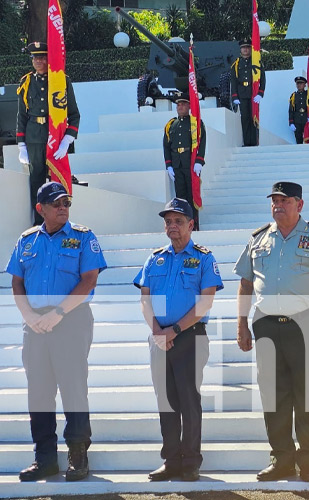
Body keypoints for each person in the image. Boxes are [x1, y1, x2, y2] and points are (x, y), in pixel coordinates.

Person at [234, 182, 309, 483]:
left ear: (300, 204)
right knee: (273, 395)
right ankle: (281, 458)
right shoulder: (258, 239)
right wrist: (242, 324)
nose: (277, 205)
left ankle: (308, 460)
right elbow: (245, 284)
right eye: (274, 200)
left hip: (307, 325)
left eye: (284, 200)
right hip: (267, 326)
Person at [5, 181, 106, 482]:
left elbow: (89, 280)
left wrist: (59, 313)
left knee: (73, 389)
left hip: (71, 321)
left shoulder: (83, 237)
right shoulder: (26, 241)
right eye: (56, 203)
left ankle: (78, 456)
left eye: (66, 203)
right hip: (34, 324)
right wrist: (28, 315)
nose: (63, 207)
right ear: (41, 209)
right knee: (39, 393)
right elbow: (17, 282)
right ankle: (45, 459)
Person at [134, 197, 223, 482]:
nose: (172, 226)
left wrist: (175, 331)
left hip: (190, 337)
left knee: (187, 400)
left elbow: (205, 302)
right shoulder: (154, 257)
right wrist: (158, 331)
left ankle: (191, 461)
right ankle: (171, 460)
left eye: (179, 221)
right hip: (159, 338)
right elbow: (144, 299)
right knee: (166, 401)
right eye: (168, 221)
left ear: (191, 224)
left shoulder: (204, 257)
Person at [16, 42, 80, 226]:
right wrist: (21, 144)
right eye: (35, 58)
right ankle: (39, 223)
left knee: (57, 180)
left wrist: (67, 138)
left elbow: (74, 114)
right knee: (36, 180)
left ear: (48, 60)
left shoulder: (61, 81)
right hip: (34, 137)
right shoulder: (26, 82)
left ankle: (60, 221)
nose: (38, 61)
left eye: (42, 57)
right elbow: (22, 115)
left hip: (56, 137)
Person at [163, 94, 206, 230]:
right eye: (178, 105)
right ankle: (183, 226)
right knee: (180, 196)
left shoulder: (195, 123)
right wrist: (169, 165)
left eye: (183, 104)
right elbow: (166, 146)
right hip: (177, 164)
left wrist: (199, 161)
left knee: (192, 195)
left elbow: (202, 142)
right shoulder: (171, 124)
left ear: (189, 106)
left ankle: (194, 225)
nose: (180, 107)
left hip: (190, 163)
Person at [230, 38, 266, 147]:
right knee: (244, 118)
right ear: (240, 50)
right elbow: (234, 81)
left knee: (253, 117)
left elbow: (263, 79)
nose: (245, 50)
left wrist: (260, 93)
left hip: (253, 93)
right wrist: (234, 96)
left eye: (247, 47)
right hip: (242, 94)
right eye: (243, 48)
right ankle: (247, 142)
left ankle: (255, 141)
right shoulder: (236, 64)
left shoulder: (256, 62)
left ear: (250, 49)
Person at [288, 76, 309, 145]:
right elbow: (291, 110)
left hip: (306, 120)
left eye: (301, 83)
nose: (299, 85)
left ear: (305, 85)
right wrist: (291, 123)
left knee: (308, 140)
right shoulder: (293, 96)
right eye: (297, 83)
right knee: (298, 141)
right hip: (297, 121)